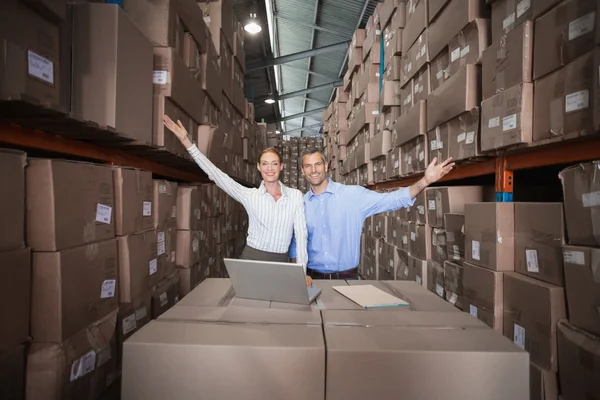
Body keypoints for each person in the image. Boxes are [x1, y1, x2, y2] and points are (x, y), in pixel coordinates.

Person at [162, 115, 312, 286]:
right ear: (258, 167)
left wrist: (301, 270)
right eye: (264, 164)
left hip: (281, 264)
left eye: (274, 164)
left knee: (279, 311)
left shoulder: (295, 196)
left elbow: (301, 235)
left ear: (281, 166)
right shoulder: (250, 195)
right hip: (251, 262)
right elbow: (217, 176)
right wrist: (187, 143)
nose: (269, 168)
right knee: (246, 311)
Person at [296, 147, 455, 280]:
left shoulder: (352, 196)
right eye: (308, 166)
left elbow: (392, 200)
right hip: (312, 279)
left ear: (325, 166)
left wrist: (425, 181)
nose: (314, 170)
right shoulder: (300, 204)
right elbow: (297, 245)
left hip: (346, 280)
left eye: (317, 164)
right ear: (302, 171)